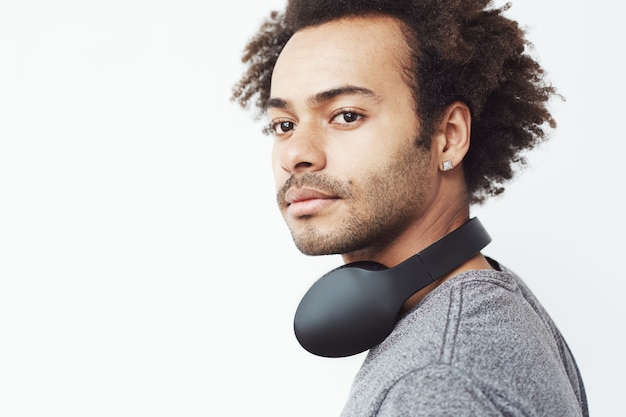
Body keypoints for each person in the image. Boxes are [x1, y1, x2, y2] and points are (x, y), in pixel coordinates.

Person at [232, 0, 588, 415]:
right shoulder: (479, 306)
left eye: (346, 115)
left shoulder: (437, 382)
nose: (295, 154)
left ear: (448, 136)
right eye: (284, 125)